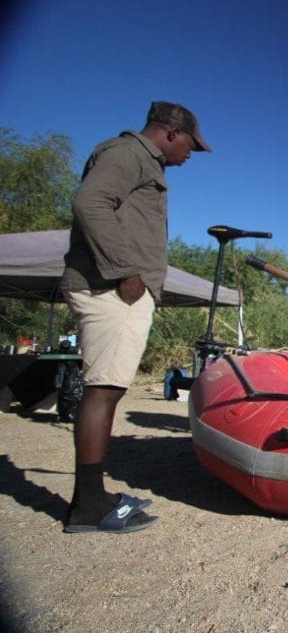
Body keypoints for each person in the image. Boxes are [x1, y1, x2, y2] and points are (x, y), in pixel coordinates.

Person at [60, 101, 211, 533]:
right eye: (190, 146)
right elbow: (89, 202)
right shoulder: (127, 155)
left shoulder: (137, 160)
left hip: (116, 287)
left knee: (108, 389)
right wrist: (125, 270)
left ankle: (93, 496)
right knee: (103, 389)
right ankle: (88, 506)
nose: (190, 155)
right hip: (111, 288)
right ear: (169, 132)